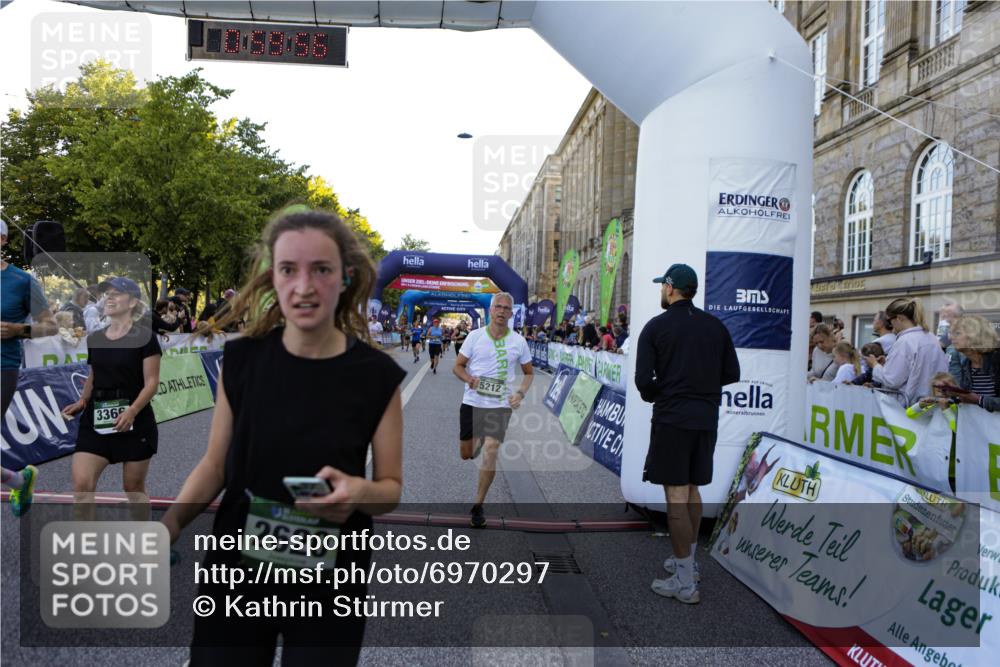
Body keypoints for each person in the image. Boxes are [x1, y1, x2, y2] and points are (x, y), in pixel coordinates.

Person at [163, 206, 405, 665]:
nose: (304, 286)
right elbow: (216, 465)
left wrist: (357, 492)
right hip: (236, 569)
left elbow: (390, 489)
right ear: (273, 277)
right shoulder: (241, 362)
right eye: (289, 270)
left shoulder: (378, 378)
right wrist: (170, 524)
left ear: (345, 277)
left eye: (321, 270)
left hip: (332, 576)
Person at [636, 263, 739, 605]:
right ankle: (688, 561)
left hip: (673, 419)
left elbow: (642, 382)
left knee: (676, 496)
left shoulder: (656, 327)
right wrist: (701, 387)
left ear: (669, 288)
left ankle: (684, 582)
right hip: (706, 417)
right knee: (692, 489)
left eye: (660, 287)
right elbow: (731, 372)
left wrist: (662, 392)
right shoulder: (714, 326)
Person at [60, 277, 161, 521]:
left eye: (117, 293)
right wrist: (83, 400)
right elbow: (94, 373)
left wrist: (132, 411)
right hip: (97, 419)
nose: (109, 297)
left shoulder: (146, 337)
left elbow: (152, 383)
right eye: (107, 293)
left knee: (133, 488)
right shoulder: (95, 338)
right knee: (82, 485)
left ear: (133, 301)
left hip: (135, 420)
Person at [453, 292, 533, 528]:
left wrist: (519, 393)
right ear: (490, 310)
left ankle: (478, 506)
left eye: (506, 308)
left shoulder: (519, 341)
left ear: (511, 313)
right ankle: (475, 442)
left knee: (491, 449)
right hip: (472, 401)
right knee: (466, 454)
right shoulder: (475, 337)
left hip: (499, 405)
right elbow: (458, 367)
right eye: (497, 306)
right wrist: (469, 379)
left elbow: (529, 373)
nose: (501, 311)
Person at [1, 219, 57, 516]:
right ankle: (19, 480)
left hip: (3, 367)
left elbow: (50, 326)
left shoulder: (22, 281)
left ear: (2, 240)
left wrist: (17, 331)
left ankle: (19, 480)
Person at [865, 297, 947, 406]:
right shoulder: (931, 337)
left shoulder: (905, 341)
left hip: (908, 409)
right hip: (932, 405)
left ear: (899, 318)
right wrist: (886, 364)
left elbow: (892, 380)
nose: (890, 325)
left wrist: (874, 365)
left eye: (890, 321)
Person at [938, 315, 999, 413]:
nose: (951, 337)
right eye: (951, 333)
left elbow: (976, 399)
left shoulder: (996, 361)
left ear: (975, 335)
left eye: (957, 333)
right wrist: (952, 393)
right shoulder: (967, 363)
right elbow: (969, 400)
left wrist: (978, 400)